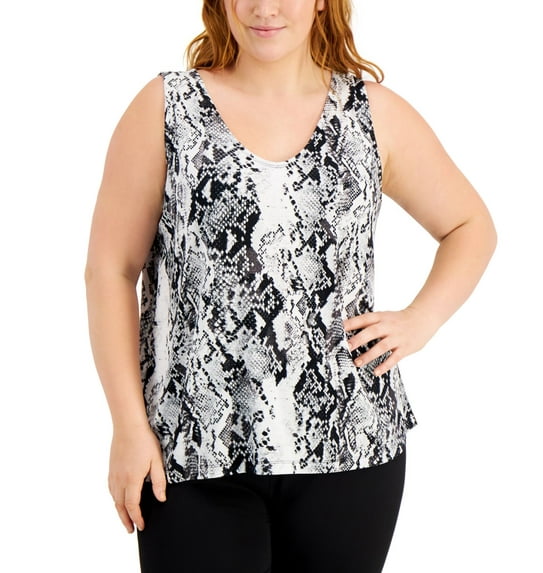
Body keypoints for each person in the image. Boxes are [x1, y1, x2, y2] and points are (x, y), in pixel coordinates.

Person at [84, 1, 497, 571]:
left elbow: (470, 226)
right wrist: (128, 428)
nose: (264, 8)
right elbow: (110, 269)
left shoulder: (373, 114)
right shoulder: (166, 109)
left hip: (351, 446)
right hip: (190, 447)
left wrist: (420, 319)